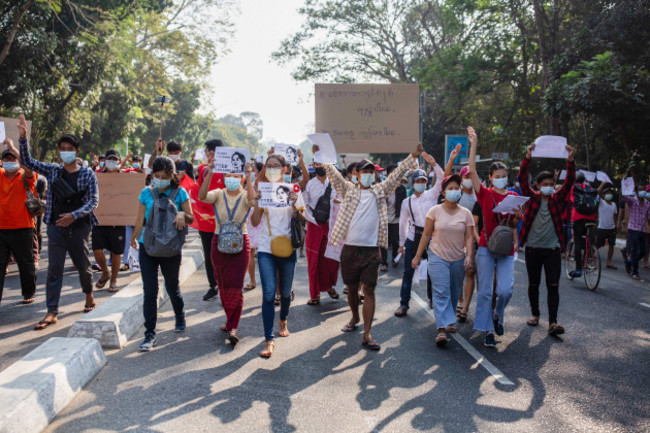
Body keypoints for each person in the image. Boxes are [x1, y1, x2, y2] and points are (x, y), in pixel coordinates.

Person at [324, 144, 422, 351]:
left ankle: (367, 333)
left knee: (369, 290)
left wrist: (412, 156)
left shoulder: (380, 191)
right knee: (351, 289)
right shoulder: (348, 190)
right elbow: (333, 176)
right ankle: (354, 317)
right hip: (350, 249)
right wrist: (323, 156)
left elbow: (396, 175)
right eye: (364, 172)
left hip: (371, 251)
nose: (368, 175)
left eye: (371, 172)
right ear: (357, 175)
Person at [17, 115, 99, 329]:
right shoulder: (53, 170)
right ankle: (52, 311)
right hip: (54, 227)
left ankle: (88, 295)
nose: (65, 151)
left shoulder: (88, 174)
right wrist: (23, 139)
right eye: (62, 148)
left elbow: (94, 201)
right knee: (54, 269)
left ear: (76, 151)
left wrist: (74, 215)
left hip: (79, 227)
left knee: (83, 266)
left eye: (69, 148)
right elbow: (28, 162)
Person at [131, 156, 193, 351]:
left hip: (172, 248)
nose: (160, 180)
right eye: (156, 176)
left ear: (172, 175)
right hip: (147, 247)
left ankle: (179, 314)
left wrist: (183, 214)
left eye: (164, 176)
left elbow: (191, 218)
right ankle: (149, 334)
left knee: (172, 287)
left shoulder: (180, 192)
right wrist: (133, 237)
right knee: (150, 291)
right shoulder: (146, 193)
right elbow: (140, 218)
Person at [467, 126, 520, 347]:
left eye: (504, 176)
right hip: (486, 247)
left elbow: (514, 225)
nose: (501, 179)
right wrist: (474, 145)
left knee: (505, 290)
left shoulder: (515, 196)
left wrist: (517, 216)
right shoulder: (485, 194)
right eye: (497, 176)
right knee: (486, 291)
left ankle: (498, 314)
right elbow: (471, 172)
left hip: (506, 249)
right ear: (490, 178)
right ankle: (488, 330)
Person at [250, 154, 305, 358]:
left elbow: (304, 218)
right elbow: (255, 222)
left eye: (275, 166)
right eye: (268, 166)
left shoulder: (293, 190)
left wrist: (294, 205)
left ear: (284, 169)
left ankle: (283, 318)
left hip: (288, 249)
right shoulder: (262, 191)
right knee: (268, 294)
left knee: (285, 294)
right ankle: (268, 339)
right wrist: (256, 203)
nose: (271, 169)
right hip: (266, 249)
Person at [518, 142, 575, 336]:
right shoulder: (531, 198)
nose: (549, 187)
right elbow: (521, 179)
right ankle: (535, 315)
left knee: (553, 285)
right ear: (538, 186)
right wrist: (527, 157)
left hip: (552, 250)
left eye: (552, 185)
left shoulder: (557, 199)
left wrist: (570, 160)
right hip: (533, 249)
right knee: (533, 284)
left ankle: (553, 322)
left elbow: (569, 183)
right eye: (545, 185)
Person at [412, 174, 475, 346]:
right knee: (441, 291)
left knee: (455, 291)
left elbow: (469, 237)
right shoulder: (434, 211)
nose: (454, 191)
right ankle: (441, 329)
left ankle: (449, 318)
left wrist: (469, 255)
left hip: (458, 258)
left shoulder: (466, 213)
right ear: (444, 192)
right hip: (437, 255)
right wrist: (417, 256)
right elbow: (426, 235)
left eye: (457, 188)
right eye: (450, 189)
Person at [199, 161, 255, 346]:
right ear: (224, 178)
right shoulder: (218, 194)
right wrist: (209, 173)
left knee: (236, 286)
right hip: (218, 242)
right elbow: (201, 196)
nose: (232, 179)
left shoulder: (246, 195)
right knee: (222, 284)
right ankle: (229, 319)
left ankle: (233, 327)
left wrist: (250, 177)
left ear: (241, 178)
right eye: (229, 176)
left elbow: (253, 202)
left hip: (241, 244)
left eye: (236, 176)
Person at [395, 155, 443, 317]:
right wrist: (401, 245)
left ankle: (431, 299)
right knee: (408, 270)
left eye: (423, 181)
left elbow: (442, 178)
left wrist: (434, 164)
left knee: (433, 270)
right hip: (413, 237)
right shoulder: (407, 202)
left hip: (432, 236)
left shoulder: (432, 195)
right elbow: (403, 224)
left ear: (426, 182)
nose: (421, 184)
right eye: (418, 181)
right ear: (412, 182)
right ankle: (403, 304)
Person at [0, 142, 37, 305]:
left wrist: (14, 147)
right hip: (1, 229)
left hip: (23, 227)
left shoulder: (25, 175)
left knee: (25, 263)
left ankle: (29, 291)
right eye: (6, 158)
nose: (9, 161)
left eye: (12, 158)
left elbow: (28, 166)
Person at [303, 161, 340, 305]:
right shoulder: (310, 184)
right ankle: (315, 294)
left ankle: (329, 287)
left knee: (331, 261)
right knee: (314, 261)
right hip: (314, 226)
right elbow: (304, 205)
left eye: (323, 164)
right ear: (313, 165)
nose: (321, 168)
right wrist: (312, 220)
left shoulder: (335, 183)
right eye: (318, 165)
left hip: (331, 226)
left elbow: (341, 202)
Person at [92, 149, 127, 292]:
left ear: (119, 162)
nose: (111, 162)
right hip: (99, 220)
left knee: (116, 252)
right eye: (109, 159)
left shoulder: (126, 179)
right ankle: (105, 272)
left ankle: (113, 280)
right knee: (97, 250)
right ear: (105, 161)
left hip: (118, 221)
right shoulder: (96, 177)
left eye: (114, 160)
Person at [196, 139, 225, 301]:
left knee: (224, 254)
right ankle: (212, 286)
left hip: (224, 219)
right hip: (206, 220)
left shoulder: (229, 170)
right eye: (207, 151)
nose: (208, 154)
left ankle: (225, 286)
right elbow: (199, 191)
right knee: (209, 255)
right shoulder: (202, 169)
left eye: (210, 151)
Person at [569, 171, 597, 278]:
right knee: (587, 240)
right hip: (591, 217)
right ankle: (589, 259)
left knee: (577, 241)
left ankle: (578, 269)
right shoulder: (589, 187)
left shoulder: (573, 187)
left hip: (578, 217)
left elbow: (570, 200)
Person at [621, 183, 650, 280]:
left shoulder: (647, 204)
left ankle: (629, 262)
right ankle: (635, 272)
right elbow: (624, 197)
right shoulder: (632, 201)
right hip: (633, 229)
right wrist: (625, 183)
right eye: (640, 190)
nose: (642, 192)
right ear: (636, 192)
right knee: (635, 250)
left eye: (643, 190)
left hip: (643, 230)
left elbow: (649, 217)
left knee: (645, 250)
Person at [383, 164, 406, 269]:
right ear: (387, 175)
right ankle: (384, 263)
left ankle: (394, 259)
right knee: (384, 242)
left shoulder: (401, 189)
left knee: (395, 241)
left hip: (397, 219)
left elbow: (404, 204)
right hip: (384, 219)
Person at [245, 161, 264, 291]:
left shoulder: (264, 186)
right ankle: (253, 280)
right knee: (251, 253)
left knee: (259, 254)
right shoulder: (251, 187)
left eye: (254, 169)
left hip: (261, 221)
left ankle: (254, 281)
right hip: (252, 221)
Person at [596, 186, 618, 269]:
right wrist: (602, 185)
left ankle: (609, 262)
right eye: (607, 193)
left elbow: (615, 215)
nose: (609, 194)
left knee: (611, 245)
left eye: (610, 193)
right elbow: (597, 195)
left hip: (611, 228)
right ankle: (589, 255)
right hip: (602, 228)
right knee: (599, 244)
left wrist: (616, 225)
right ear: (603, 195)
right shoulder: (601, 202)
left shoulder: (614, 204)